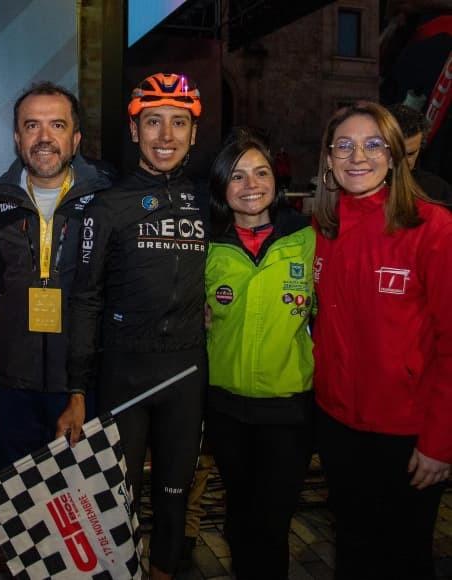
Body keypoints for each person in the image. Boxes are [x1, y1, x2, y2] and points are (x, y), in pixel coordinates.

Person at [57, 72, 209, 579]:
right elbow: (85, 300)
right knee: (116, 507)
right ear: (134, 130)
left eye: (178, 123)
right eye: (153, 122)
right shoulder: (106, 206)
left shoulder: (210, 203)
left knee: (172, 504)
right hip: (124, 374)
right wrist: (77, 388)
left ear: (193, 133)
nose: (166, 135)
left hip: (186, 373)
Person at [313, 101, 452, 579]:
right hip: (338, 427)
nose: (358, 157)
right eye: (344, 146)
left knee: (404, 558)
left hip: (408, 435)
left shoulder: (432, 228)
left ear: (394, 156)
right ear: (328, 160)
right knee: (352, 550)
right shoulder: (320, 229)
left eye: (373, 145)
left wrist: (439, 442)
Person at [0, 82, 110, 468]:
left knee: (78, 503)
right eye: (32, 126)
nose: (45, 137)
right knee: (17, 504)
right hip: (13, 382)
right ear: (18, 138)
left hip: (81, 383)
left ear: (76, 138)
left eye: (57, 125)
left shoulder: (105, 200)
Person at [206, 132, 315, 579]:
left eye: (261, 172)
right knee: (239, 517)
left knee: (273, 522)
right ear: (222, 187)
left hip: (287, 410)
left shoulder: (308, 239)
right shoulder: (208, 246)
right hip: (226, 407)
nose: (251, 184)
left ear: (276, 180)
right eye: (237, 175)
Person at [387, 102, 452, 205]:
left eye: (410, 154)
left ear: (420, 148)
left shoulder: (439, 192)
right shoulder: (356, 186)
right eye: (394, 151)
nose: (401, 161)